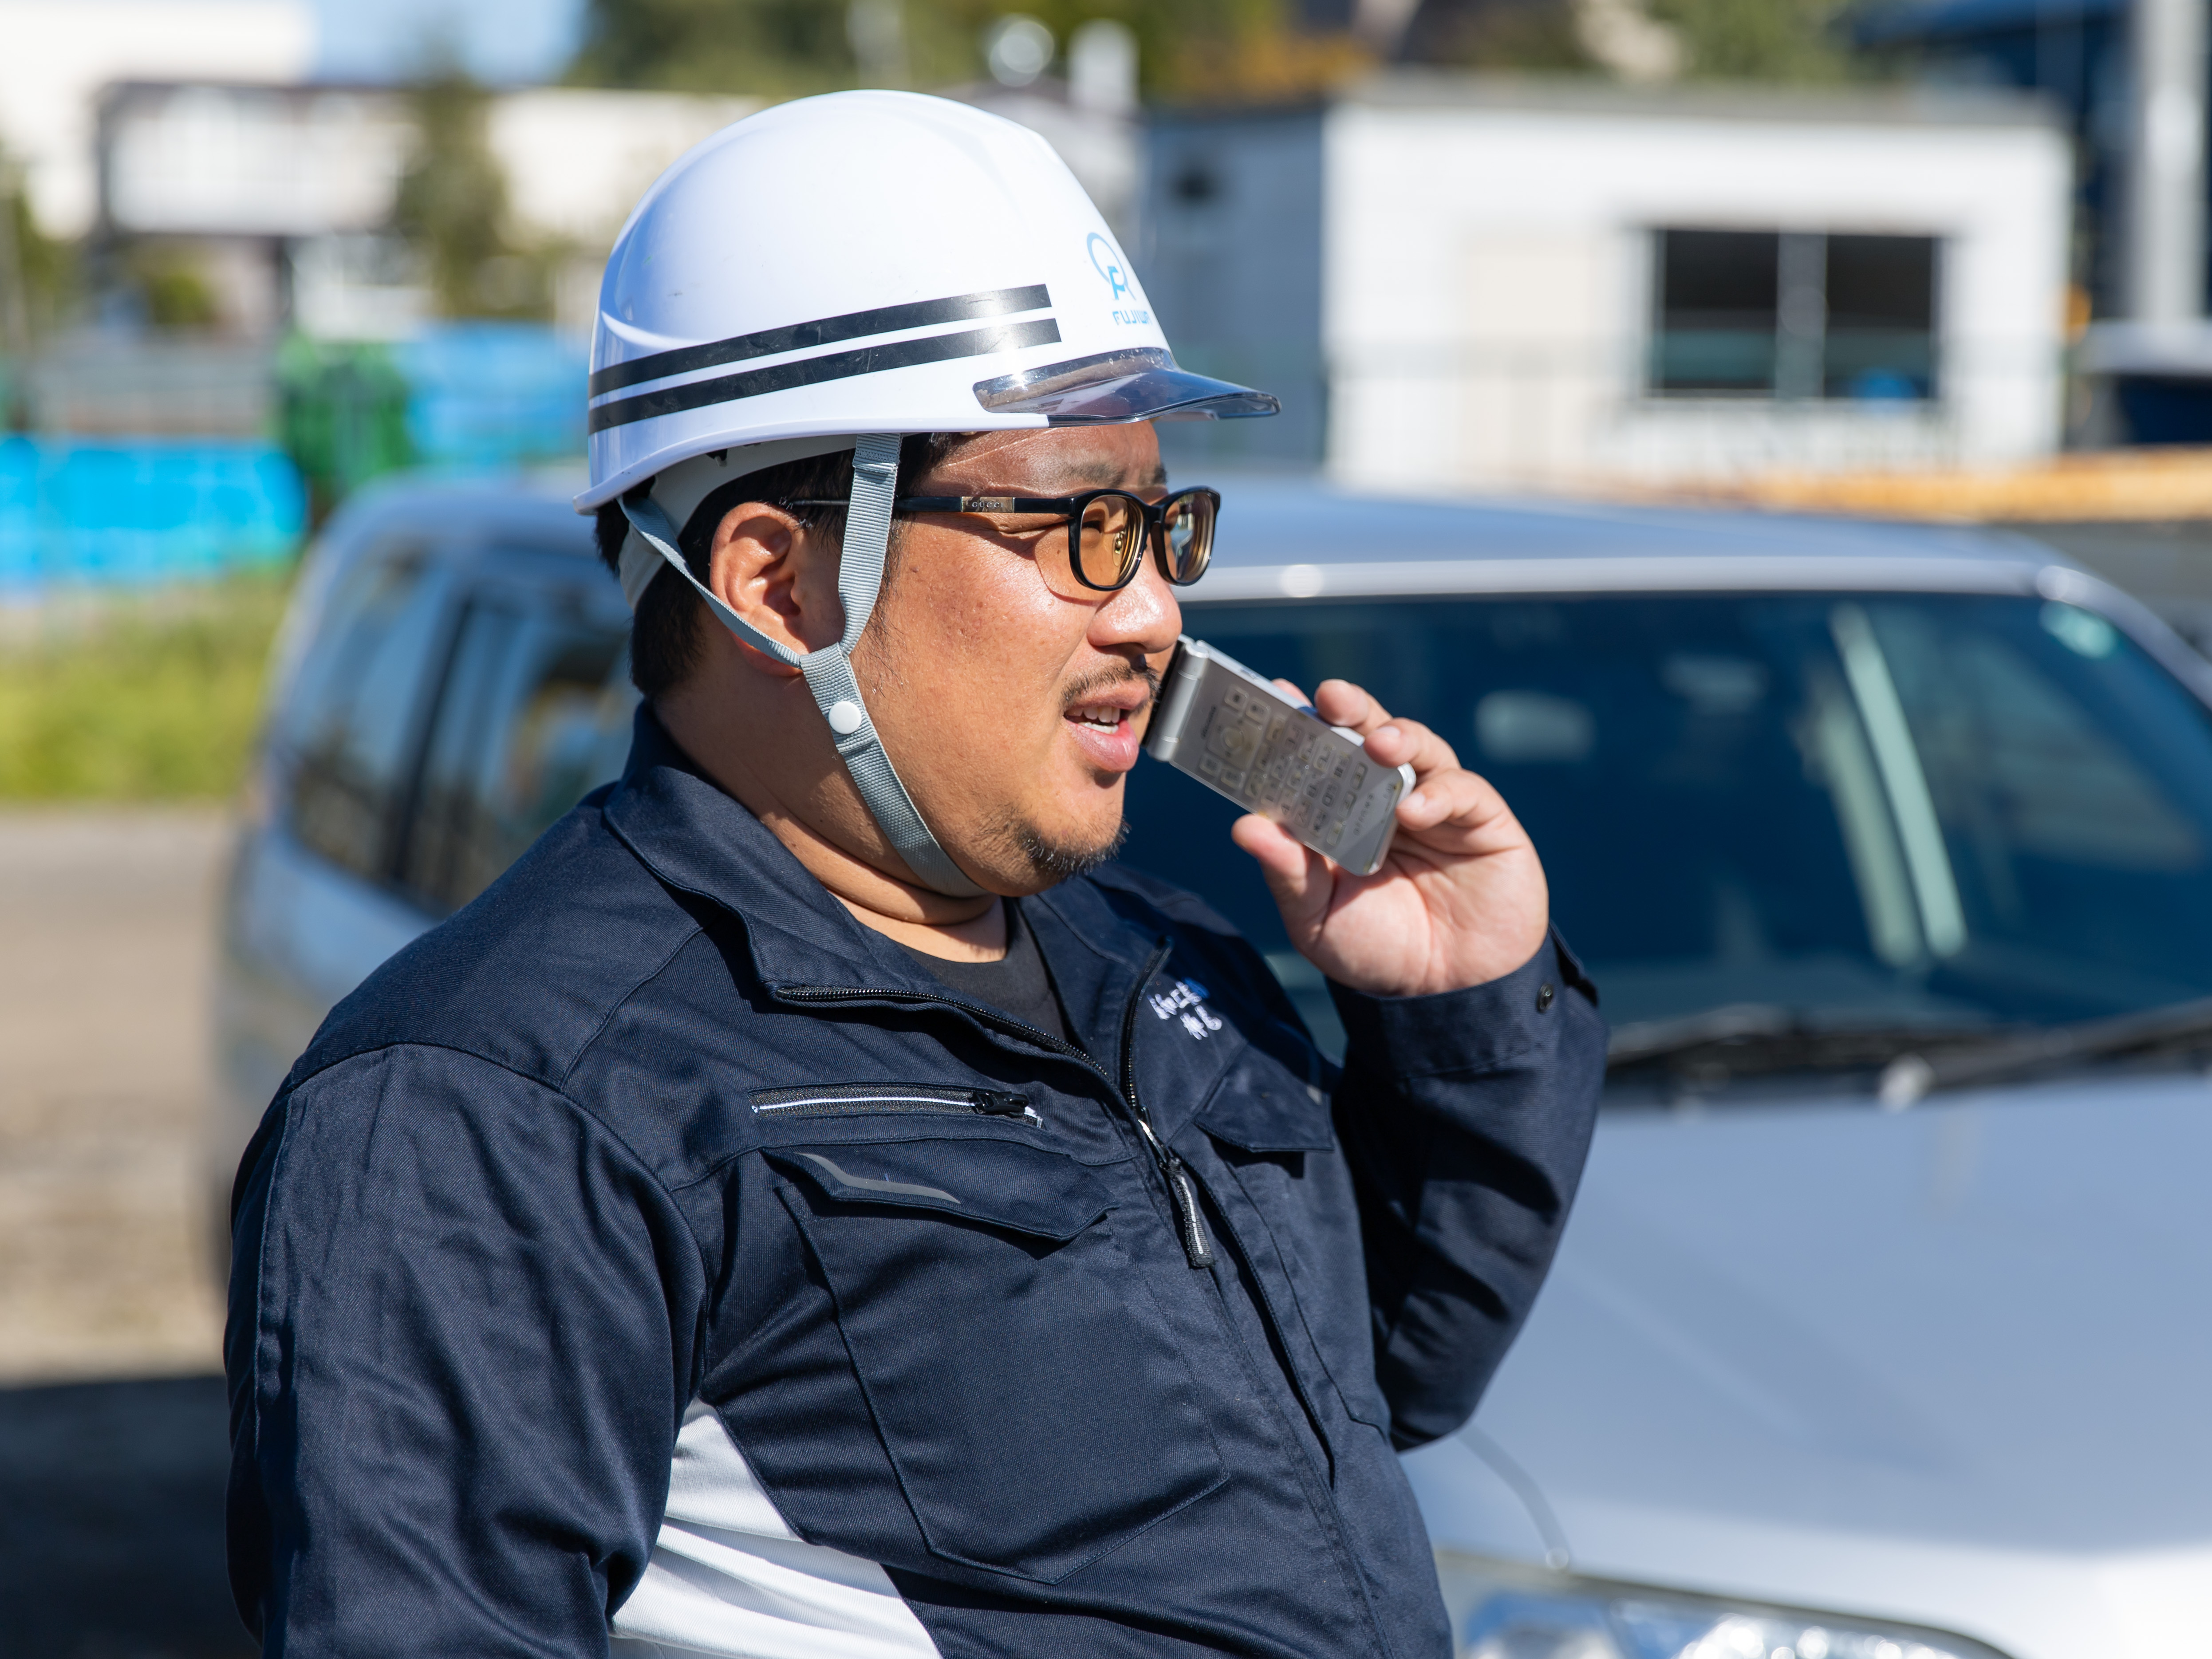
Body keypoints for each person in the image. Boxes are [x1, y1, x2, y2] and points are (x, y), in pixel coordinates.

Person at [225, 91, 1605, 1658]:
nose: (1151, 612)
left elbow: (1368, 1393)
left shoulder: (1160, 960)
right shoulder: (496, 1106)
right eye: (1079, 524)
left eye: (1160, 524)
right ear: (779, 580)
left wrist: (1462, 1017)